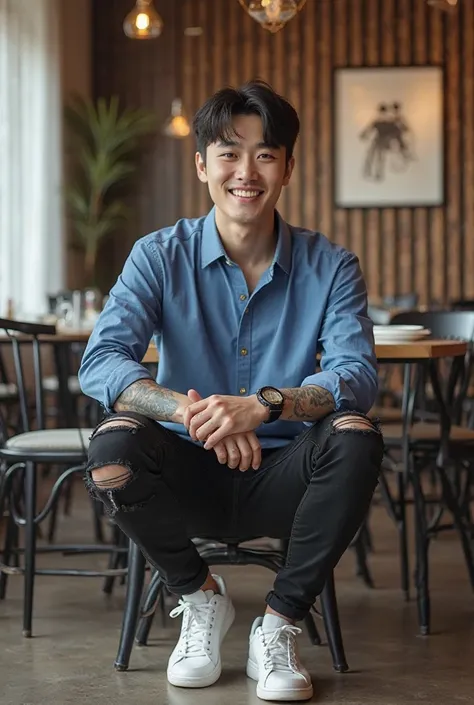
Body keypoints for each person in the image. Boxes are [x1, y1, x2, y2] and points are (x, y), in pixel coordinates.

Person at [79, 79, 384, 702]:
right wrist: (191, 412)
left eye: (266, 154)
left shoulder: (332, 266)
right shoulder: (156, 256)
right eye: (229, 152)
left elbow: (356, 374)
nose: (247, 171)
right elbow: (102, 361)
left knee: (356, 437)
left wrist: (265, 404)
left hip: (289, 481)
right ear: (202, 166)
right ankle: (198, 597)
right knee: (112, 450)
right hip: (185, 473)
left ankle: (279, 623)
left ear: (288, 168)